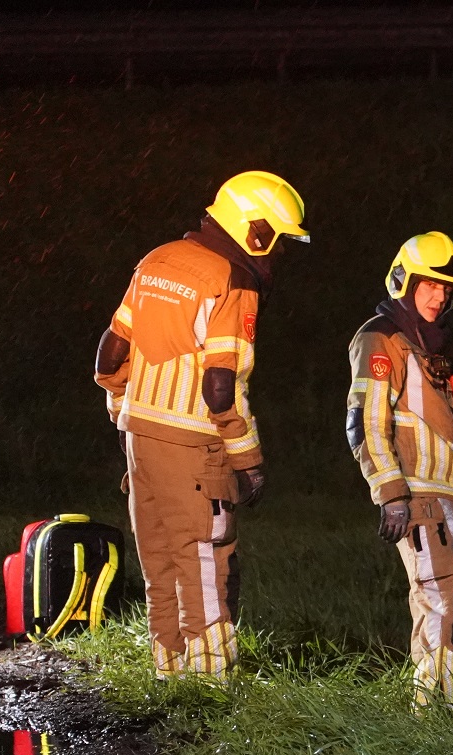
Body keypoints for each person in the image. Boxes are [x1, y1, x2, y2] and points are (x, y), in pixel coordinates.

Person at [92, 170, 308, 677]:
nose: (279, 253)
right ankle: (211, 684)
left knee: (160, 560)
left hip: (139, 439)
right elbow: (221, 387)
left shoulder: (156, 260)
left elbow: (111, 355)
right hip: (195, 446)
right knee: (207, 561)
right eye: (279, 241)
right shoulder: (233, 281)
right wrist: (248, 461)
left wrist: (124, 411)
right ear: (256, 231)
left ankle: (169, 674)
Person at [346, 232, 453, 705]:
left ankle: (430, 708)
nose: (439, 297)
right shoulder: (382, 338)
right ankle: (435, 714)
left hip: (448, 499)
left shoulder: (432, 344)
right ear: (404, 280)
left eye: (448, 289)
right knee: (446, 603)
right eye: (430, 285)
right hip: (418, 497)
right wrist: (392, 495)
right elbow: (365, 422)